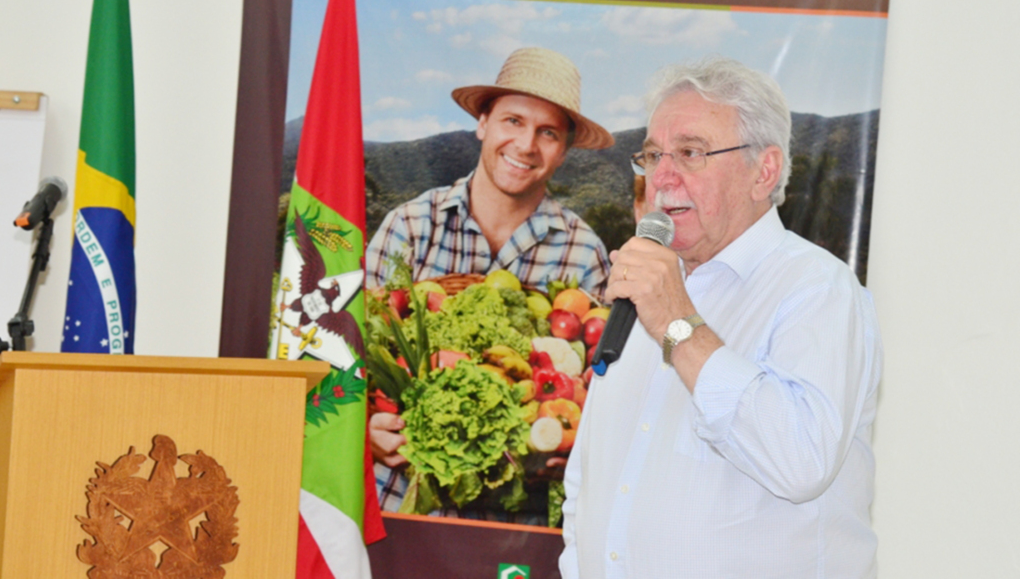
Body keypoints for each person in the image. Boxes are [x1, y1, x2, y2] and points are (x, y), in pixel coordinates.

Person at [560, 57, 882, 578]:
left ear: (765, 171)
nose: (662, 177)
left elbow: (801, 461)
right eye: (653, 154)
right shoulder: (649, 287)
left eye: (690, 153)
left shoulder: (817, 289)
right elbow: (589, 483)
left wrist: (677, 326)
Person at [367, 46, 615, 515]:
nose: (526, 146)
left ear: (564, 150)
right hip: (400, 501)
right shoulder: (411, 227)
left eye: (548, 133)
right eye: (513, 122)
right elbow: (342, 361)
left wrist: (570, 442)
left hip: (516, 515)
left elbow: (599, 387)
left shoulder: (583, 252)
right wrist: (365, 428)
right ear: (483, 124)